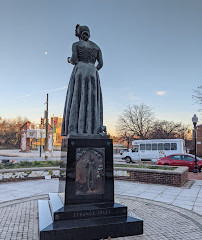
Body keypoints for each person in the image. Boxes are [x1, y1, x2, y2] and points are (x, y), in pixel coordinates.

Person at [61, 24, 104, 136]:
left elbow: (74, 59)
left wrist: (69, 60)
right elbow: (101, 64)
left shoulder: (76, 44)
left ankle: (76, 129)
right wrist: (94, 70)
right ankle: (92, 129)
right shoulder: (97, 47)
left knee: (77, 98)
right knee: (92, 99)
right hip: (92, 73)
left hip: (80, 70)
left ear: (78, 33)